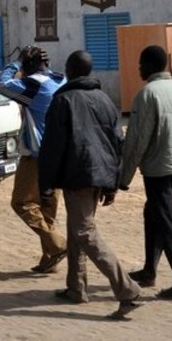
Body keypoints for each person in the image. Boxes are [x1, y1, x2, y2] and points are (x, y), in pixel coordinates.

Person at [37, 50, 143, 319]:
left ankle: (127, 289)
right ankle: (76, 287)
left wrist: (46, 184)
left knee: (85, 233)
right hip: (99, 175)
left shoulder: (63, 101)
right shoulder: (105, 99)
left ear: (70, 71)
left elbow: (52, 147)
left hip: (79, 176)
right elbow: (117, 143)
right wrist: (112, 183)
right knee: (77, 230)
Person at [120, 45, 172, 301]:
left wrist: (124, 177)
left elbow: (136, 141)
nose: (139, 69)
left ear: (150, 65)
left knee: (166, 219)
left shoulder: (147, 95)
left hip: (158, 168)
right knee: (153, 213)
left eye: (141, 64)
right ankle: (149, 270)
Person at [0, 45, 67, 274]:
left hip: (37, 156)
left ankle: (59, 245)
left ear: (28, 66)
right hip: (60, 154)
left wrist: (16, 62)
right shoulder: (60, 80)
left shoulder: (32, 86)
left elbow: (1, 85)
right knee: (48, 207)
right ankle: (50, 258)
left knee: (22, 203)